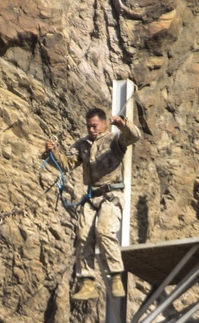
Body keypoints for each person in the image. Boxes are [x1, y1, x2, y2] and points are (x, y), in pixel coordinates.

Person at [45, 107, 142, 301]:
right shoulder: (83, 144)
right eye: (89, 126)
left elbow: (133, 136)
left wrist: (123, 124)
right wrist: (53, 152)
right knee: (83, 235)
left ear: (104, 124)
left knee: (104, 230)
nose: (91, 130)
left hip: (111, 194)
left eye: (95, 126)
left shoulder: (114, 140)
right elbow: (66, 164)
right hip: (91, 197)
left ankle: (116, 277)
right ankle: (87, 282)